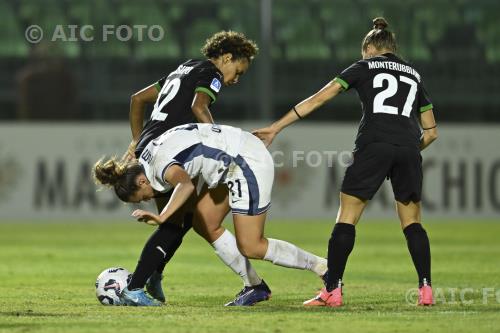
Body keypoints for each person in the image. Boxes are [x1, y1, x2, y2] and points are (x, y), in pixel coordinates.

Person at [253, 17, 437, 307]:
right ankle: (426, 290)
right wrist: (407, 149)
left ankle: (332, 290)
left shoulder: (365, 66)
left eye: (363, 52)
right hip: (409, 148)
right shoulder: (414, 74)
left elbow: (318, 98)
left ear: (371, 48)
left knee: (347, 216)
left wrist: (276, 126)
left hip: (373, 143)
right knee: (412, 222)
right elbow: (432, 131)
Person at [93, 123, 328, 305]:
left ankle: (323, 268)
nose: (148, 199)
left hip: (245, 162)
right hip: (231, 158)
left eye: (143, 196)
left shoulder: (161, 167)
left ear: (142, 180)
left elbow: (185, 185)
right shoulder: (146, 155)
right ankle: (255, 287)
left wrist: (163, 217)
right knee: (204, 222)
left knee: (252, 245)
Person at [118, 31, 269, 306]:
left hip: (153, 144)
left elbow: (137, 99)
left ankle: (153, 274)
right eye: (238, 71)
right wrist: (218, 138)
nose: (235, 79)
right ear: (226, 58)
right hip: (170, 150)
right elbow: (199, 106)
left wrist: (137, 140)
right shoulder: (210, 72)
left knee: (181, 219)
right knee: (174, 221)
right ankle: (136, 286)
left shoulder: (184, 68)